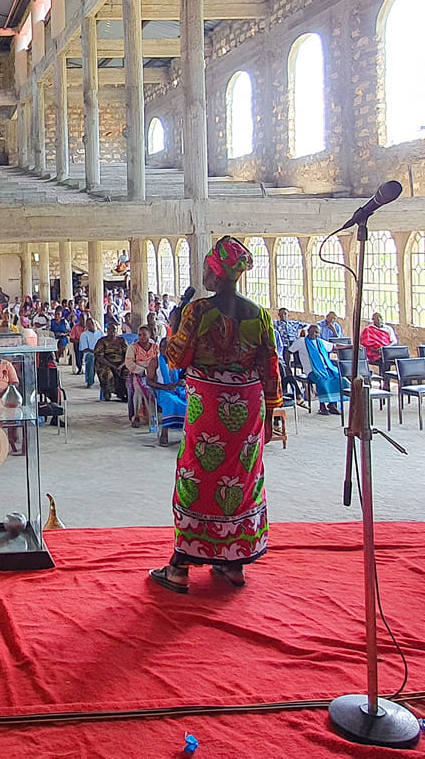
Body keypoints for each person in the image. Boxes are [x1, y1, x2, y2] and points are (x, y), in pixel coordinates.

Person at [149, 237, 284, 595]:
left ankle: (180, 566)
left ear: (218, 272)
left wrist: (174, 326)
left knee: (198, 475)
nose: (205, 274)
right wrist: (272, 414)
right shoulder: (258, 314)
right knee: (240, 477)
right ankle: (233, 562)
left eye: (208, 268)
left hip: (209, 406)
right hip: (248, 408)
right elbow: (270, 366)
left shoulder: (199, 311)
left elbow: (177, 359)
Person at [301, 324, 345, 415]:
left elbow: (335, 346)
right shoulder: (301, 342)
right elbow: (289, 351)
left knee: (337, 377)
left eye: (317, 332)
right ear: (308, 331)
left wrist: (351, 346)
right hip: (312, 370)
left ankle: (332, 405)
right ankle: (322, 406)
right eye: (313, 332)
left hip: (325, 368)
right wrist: (288, 366)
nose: (315, 334)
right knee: (321, 380)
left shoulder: (320, 342)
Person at [127, 321, 161, 428]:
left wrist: (152, 371)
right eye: (140, 335)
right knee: (138, 391)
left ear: (149, 335)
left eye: (144, 334)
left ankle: (153, 415)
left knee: (156, 390)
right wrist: (143, 370)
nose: (142, 337)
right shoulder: (133, 348)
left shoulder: (155, 347)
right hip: (138, 374)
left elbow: (160, 361)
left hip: (154, 375)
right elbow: (129, 363)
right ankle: (136, 417)